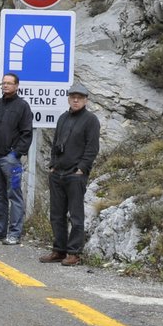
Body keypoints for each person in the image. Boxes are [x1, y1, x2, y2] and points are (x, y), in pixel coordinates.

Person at [39, 81, 100, 266]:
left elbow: (92, 148)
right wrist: (53, 165)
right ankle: (59, 250)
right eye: (73, 97)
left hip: (75, 175)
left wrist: (81, 169)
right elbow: (56, 143)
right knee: (56, 214)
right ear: (68, 98)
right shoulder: (63, 118)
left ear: (86, 100)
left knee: (75, 215)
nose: (75, 100)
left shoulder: (91, 120)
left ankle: (74, 253)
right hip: (58, 174)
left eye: (79, 97)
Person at [0, 73, 34, 246]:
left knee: (14, 195)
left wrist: (15, 154)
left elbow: (26, 133)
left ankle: (15, 234)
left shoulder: (23, 106)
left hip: (11, 161)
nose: (5, 86)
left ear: (17, 86)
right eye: (4, 83)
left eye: (9, 83)